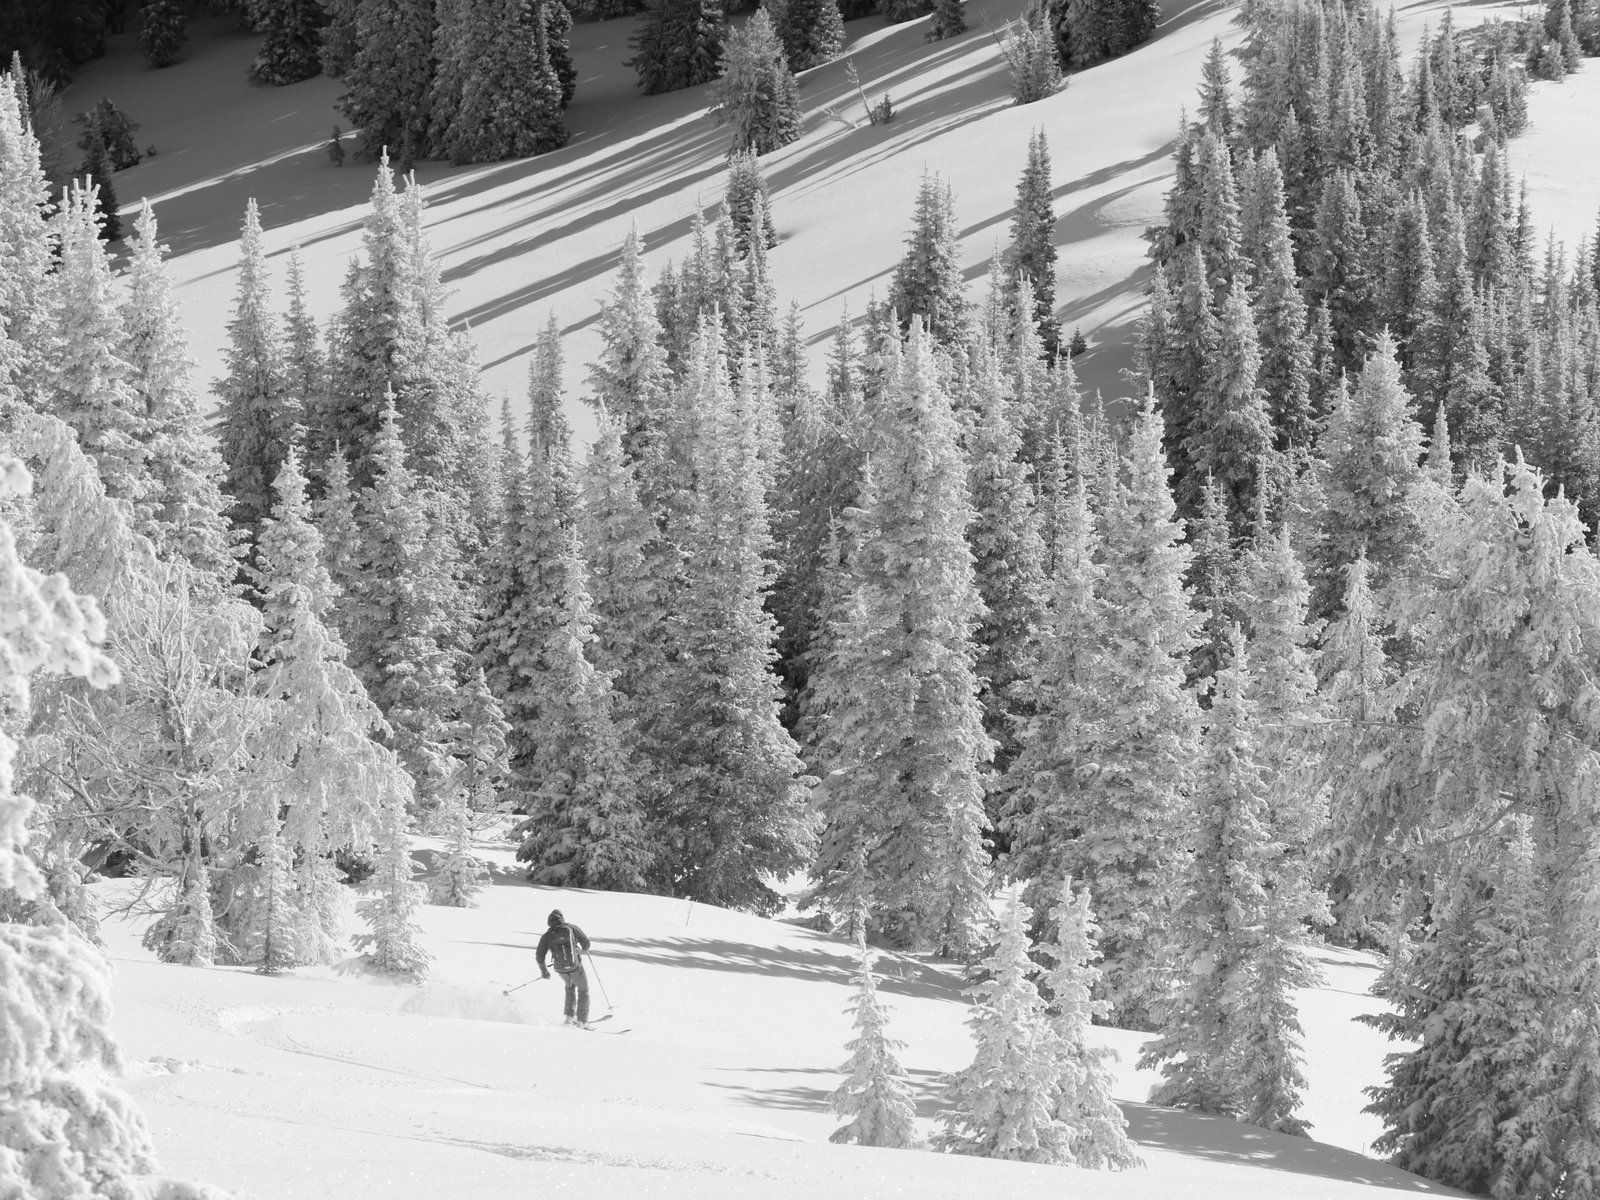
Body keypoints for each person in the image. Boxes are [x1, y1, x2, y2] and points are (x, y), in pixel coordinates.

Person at [537, 908, 593, 1026]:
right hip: (575, 966)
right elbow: (586, 944)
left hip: (560, 969)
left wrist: (544, 972)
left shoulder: (547, 935)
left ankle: (569, 1017)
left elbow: (539, 956)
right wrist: (579, 951)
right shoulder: (572, 928)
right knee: (583, 990)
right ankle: (582, 1021)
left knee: (570, 987)